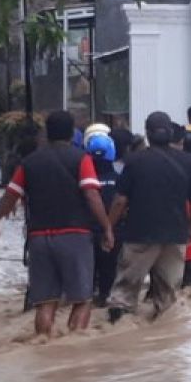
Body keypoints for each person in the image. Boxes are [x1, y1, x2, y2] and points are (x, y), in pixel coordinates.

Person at [0, 110, 114, 338]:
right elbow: (92, 196)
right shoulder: (81, 159)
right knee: (82, 300)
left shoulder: (30, 162)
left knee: (46, 302)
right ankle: (73, 351)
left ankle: (43, 345)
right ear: (72, 132)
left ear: (47, 133)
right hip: (75, 236)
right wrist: (107, 227)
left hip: (39, 239)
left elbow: (10, 196)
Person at [106, 111, 191, 322]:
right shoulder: (187, 161)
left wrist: (108, 228)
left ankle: (117, 338)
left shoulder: (134, 161)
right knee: (167, 300)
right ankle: (165, 342)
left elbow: (120, 202)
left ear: (147, 133)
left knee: (123, 296)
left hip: (140, 236)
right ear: (170, 133)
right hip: (175, 236)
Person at [84, 125, 122, 306]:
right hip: (113, 233)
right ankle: (104, 298)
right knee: (110, 271)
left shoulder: (84, 181)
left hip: (88, 232)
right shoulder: (120, 179)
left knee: (89, 272)